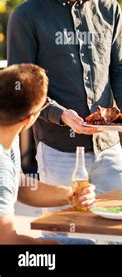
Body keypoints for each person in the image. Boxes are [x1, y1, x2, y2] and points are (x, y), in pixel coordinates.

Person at [7, 0, 122, 194]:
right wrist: (61, 115)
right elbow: (22, 86)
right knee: (67, 231)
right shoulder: (26, 16)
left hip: (110, 149)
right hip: (59, 152)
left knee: (121, 228)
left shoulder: (110, 9)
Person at [0, 64, 95, 244]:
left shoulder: (8, 136)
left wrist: (70, 195)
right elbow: (6, 240)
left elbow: (19, 185)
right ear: (29, 119)